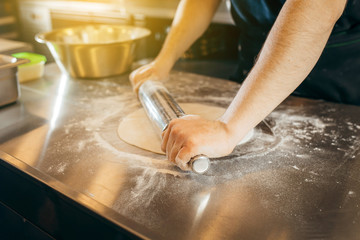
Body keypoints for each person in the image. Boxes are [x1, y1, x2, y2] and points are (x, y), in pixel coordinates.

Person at [130, 0, 359, 171]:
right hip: (251, 80)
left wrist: (228, 129)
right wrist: (165, 59)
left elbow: (316, 8)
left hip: (335, 90)